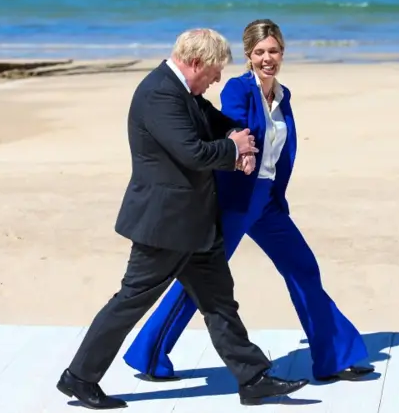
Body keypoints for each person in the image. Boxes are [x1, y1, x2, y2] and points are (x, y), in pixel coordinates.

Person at [55, 28, 308, 410]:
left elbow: (216, 120)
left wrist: (240, 136)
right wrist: (233, 149)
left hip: (197, 225)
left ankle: (253, 378)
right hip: (165, 226)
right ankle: (79, 377)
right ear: (195, 64)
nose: (217, 79)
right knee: (130, 302)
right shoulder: (160, 93)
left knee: (221, 303)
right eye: (213, 71)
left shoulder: (186, 93)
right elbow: (192, 152)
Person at [123, 19, 375, 384]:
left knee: (303, 268)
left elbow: (281, 151)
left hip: (268, 201)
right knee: (199, 284)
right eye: (259, 53)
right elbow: (234, 124)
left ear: (283, 53)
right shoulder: (239, 90)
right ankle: (149, 353)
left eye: (273, 51)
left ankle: (335, 355)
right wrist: (242, 150)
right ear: (249, 56)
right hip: (237, 201)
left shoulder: (284, 96)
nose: (267, 58)